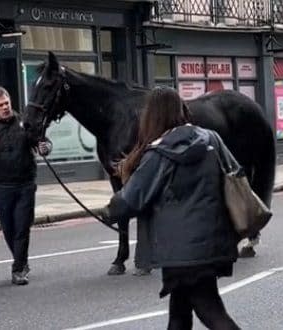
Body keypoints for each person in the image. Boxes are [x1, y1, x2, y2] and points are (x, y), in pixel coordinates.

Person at [101, 87, 240, 329]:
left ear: (152, 116)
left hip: (181, 251)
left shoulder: (159, 153)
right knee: (179, 313)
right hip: (211, 242)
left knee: (211, 311)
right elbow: (235, 172)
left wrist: (108, 212)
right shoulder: (211, 139)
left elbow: (132, 198)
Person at [0, 87, 52, 285]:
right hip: (3, 186)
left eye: (7, 103)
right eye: (0, 106)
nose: (5, 108)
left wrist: (45, 147)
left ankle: (18, 269)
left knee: (21, 228)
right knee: (8, 228)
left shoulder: (24, 123)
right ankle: (22, 262)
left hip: (25, 184)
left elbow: (43, 142)